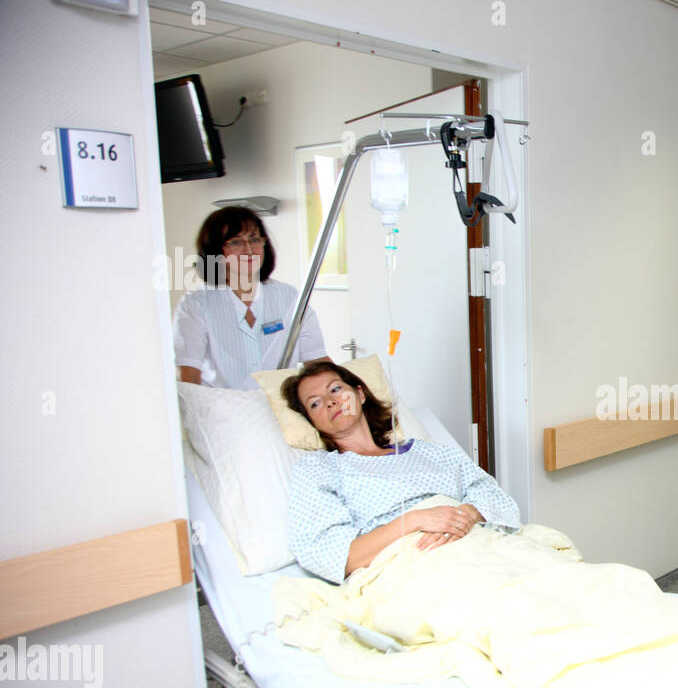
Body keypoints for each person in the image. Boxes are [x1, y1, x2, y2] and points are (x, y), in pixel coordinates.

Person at [281, 359, 520, 584]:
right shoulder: (319, 470)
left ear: (360, 394)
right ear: (312, 421)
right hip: (414, 566)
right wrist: (413, 521)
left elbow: (493, 496)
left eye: (335, 389)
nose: (330, 401)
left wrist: (469, 513)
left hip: (480, 543)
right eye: (315, 403)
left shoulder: (433, 453)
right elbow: (334, 556)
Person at [173, 207, 329, 389]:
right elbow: (189, 377)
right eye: (235, 242)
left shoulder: (289, 297)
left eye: (254, 239)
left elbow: (317, 361)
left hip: (279, 410)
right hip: (221, 411)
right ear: (215, 251)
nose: (248, 250)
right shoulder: (195, 305)